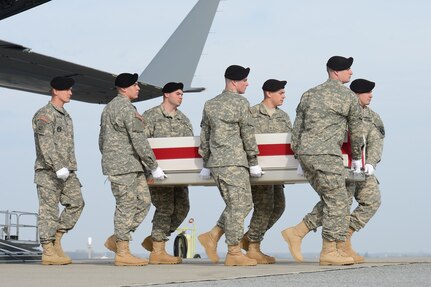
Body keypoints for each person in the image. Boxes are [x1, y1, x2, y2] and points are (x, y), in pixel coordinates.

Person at [282, 56, 364, 266]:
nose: (351, 73)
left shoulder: (309, 94)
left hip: (307, 155)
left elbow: (297, 129)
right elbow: (356, 132)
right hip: (327, 155)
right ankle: (329, 250)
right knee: (337, 200)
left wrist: (299, 154)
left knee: (338, 196)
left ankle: (300, 234)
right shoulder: (347, 96)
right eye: (347, 69)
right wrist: (356, 158)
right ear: (336, 72)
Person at [198, 65, 263, 266]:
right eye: (244, 80)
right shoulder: (241, 103)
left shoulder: (210, 104)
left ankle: (213, 235)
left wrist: (206, 161)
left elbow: (205, 136)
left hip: (218, 163)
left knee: (239, 204)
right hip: (234, 162)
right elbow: (247, 134)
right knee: (239, 205)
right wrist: (253, 161)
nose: (247, 83)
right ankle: (233, 252)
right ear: (234, 82)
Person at [99, 73, 167, 266]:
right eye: (134, 85)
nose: (138, 88)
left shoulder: (108, 109)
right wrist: (153, 166)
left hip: (129, 165)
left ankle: (118, 238)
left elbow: (101, 140)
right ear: (123, 88)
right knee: (127, 205)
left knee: (144, 201)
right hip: (124, 166)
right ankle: (122, 251)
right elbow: (139, 140)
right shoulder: (126, 109)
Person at [32, 76, 85, 265]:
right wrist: (57, 166)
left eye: (70, 89)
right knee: (49, 211)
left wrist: (67, 168)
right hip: (48, 172)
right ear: (56, 91)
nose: (70, 92)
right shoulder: (45, 115)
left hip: (67, 171)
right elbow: (45, 144)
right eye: (67, 89)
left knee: (77, 202)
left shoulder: (65, 115)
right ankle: (47, 250)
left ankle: (57, 238)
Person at [240, 79, 292, 264]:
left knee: (279, 206)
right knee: (264, 207)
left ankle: (250, 237)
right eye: (281, 93)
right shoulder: (251, 113)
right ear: (268, 93)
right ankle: (253, 246)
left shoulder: (283, 116)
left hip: (277, 172)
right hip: (258, 170)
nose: (284, 96)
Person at [141, 82, 193, 264]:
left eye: (182, 94)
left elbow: (189, 146)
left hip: (179, 175)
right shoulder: (151, 116)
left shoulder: (184, 120)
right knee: (165, 208)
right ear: (166, 94)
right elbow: (142, 144)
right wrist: (151, 169)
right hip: (157, 173)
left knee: (182, 208)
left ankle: (156, 238)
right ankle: (158, 250)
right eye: (178, 93)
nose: (181, 96)